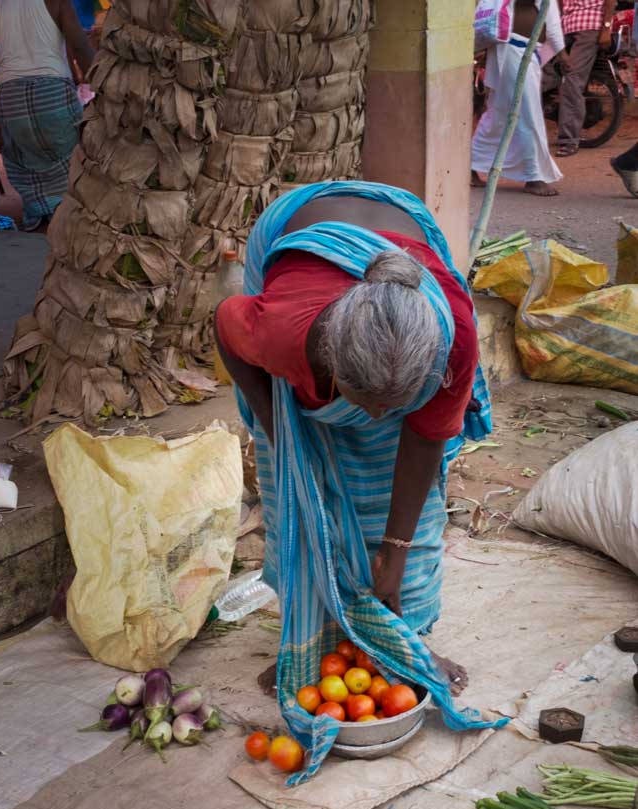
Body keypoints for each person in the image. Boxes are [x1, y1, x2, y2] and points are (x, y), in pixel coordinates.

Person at [215, 182, 492, 699]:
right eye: (365, 402)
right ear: (329, 364)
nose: (379, 417)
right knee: (296, 493)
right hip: (294, 234)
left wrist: (395, 552)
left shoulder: (451, 336)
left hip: (401, 261)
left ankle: (401, 640)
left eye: (395, 406)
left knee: (388, 487)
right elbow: (225, 324)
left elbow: (424, 441)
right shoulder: (281, 333)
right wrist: (282, 436)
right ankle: (311, 640)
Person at [0, 0, 93, 231]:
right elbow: (81, 49)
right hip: (54, 95)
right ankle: (68, 217)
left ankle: (39, 220)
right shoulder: (57, 2)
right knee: (70, 160)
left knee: (25, 165)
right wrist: (101, 93)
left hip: (12, 103)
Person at [472, 0, 565, 197]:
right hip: (514, 51)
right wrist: (563, 54)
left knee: (499, 115)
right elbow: (551, 22)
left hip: (517, 51)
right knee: (527, 114)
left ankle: (472, 164)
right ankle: (533, 176)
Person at [555, 0, 617, 157]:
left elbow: (610, 2)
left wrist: (606, 29)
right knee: (540, 68)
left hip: (589, 26)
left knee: (572, 81)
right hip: (566, 26)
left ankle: (569, 140)